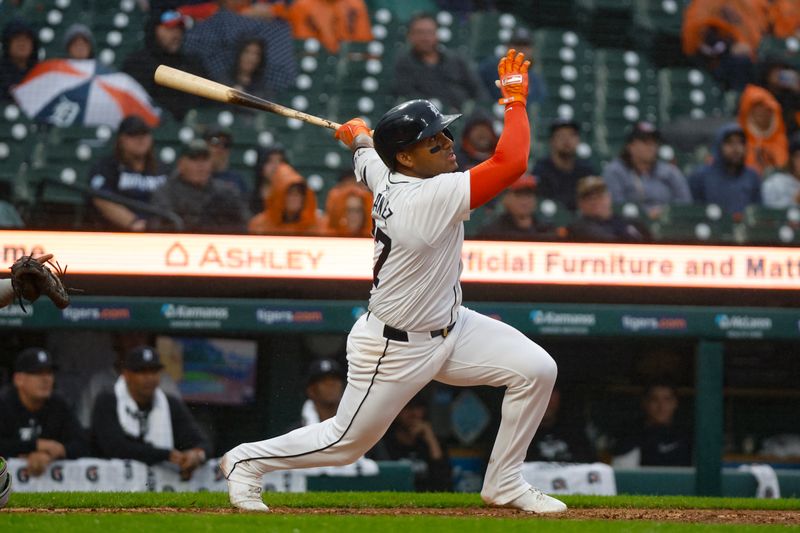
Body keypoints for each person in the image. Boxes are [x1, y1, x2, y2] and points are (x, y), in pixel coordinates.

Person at [221, 49, 566, 514]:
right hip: (394, 346)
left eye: (445, 133)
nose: (447, 143)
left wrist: (360, 138)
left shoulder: (392, 174)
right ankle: (246, 461)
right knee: (344, 444)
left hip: (451, 326)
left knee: (537, 370)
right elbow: (512, 162)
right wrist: (514, 99)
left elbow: (369, 161)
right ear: (406, 156)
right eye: (433, 142)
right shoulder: (429, 195)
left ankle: (504, 482)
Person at [90, 346, 212, 479]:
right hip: (111, 484)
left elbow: (202, 443)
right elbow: (115, 447)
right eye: (141, 372)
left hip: (158, 488)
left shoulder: (170, 404)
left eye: (154, 371)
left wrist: (196, 455)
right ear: (126, 374)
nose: (149, 378)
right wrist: (165, 455)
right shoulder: (108, 400)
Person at [0, 348, 89, 476]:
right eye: (37, 373)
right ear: (19, 379)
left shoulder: (58, 404)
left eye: (49, 373)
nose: (45, 379)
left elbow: (82, 444)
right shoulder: (4, 403)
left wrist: (52, 453)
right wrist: (36, 446)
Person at [182, 0, 296, 96]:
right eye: (247, 53)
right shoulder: (219, 21)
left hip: (261, 92)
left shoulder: (277, 28)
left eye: (255, 54)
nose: (251, 58)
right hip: (217, 88)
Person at [392, 12, 488, 113]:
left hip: (464, 117)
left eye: (429, 32)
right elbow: (407, 97)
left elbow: (478, 91)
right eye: (419, 32)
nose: (425, 38)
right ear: (410, 36)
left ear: (436, 35)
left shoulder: (456, 59)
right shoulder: (404, 64)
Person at [122, 10, 210, 121]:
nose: (176, 34)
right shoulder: (137, 63)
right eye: (169, 28)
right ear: (153, 30)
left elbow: (208, 103)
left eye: (179, 29)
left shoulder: (192, 63)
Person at [87, 115, 170, 231]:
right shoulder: (107, 167)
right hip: (120, 233)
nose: (140, 139)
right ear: (121, 139)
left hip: (162, 232)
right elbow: (101, 198)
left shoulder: (162, 168)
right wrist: (133, 223)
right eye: (133, 135)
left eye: (144, 134)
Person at [150, 139, 249, 233]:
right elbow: (159, 227)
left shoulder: (226, 191)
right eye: (194, 159)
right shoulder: (166, 192)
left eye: (205, 159)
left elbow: (244, 222)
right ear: (181, 164)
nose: (201, 165)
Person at [602, 122, 692, 220]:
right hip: (628, 227)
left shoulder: (670, 172)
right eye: (645, 142)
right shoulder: (615, 171)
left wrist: (666, 212)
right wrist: (644, 214)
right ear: (630, 145)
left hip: (668, 225)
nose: (651, 146)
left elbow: (685, 203)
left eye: (654, 142)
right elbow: (615, 206)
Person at [378, 390, 452, 492]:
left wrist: (431, 441)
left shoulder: (433, 441)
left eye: (418, 408)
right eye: (407, 408)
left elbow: (444, 483)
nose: (413, 414)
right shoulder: (383, 442)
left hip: (427, 499)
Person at [688, 123, 762, 217]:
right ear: (718, 146)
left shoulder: (752, 176)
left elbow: (758, 213)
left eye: (740, 142)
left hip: (744, 229)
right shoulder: (700, 176)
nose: (736, 148)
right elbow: (693, 213)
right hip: (711, 228)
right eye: (729, 142)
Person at [612, 383, 692, 467]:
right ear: (645, 403)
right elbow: (625, 475)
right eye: (654, 400)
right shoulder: (631, 435)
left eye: (667, 400)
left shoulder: (687, 435)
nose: (661, 406)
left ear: (675, 403)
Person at [533, 118, 595, 211]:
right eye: (561, 136)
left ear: (578, 140)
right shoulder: (541, 171)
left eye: (572, 135)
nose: (567, 140)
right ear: (552, 141)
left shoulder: (586, 170)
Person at [525, 386, 597, 463]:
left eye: (551, 392)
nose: (546, 400)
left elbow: (592, 468)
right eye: (540, 393)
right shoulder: (519, 435)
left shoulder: (575, 433)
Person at [478, 26, 547, 107]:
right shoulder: (489, 68)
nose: (521, 49)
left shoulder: (535, 79)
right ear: (508, 47)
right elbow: (478, 94)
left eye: (525, 45)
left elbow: (538, 105)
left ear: (532, 50)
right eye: (517, 44)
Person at [568, 176, 650, 242]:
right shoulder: (579, 228)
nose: (595, 201)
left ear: (609, 197)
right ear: (580, 204)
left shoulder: (628, 223)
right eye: (588, 198)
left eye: (599, 195)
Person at [248, 163, 322, 235]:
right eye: (290, 193)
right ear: (278, 196)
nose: (295, 197)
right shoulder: (259, 225)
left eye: (299, 193)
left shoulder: (317, 225)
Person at [476, 174, 554, 240]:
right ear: (505, 199)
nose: (525, 201)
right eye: (519, 195)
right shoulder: (492, 231)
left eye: (529, 195)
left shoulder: (545, 230)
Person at [285, 0, 373, 54]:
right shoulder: (303, 5)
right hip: (314, 61)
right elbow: (301, 45)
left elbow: (361, 44)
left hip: (346, 62)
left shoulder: (355, 5)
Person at [738, 84, 789, 176]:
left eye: (766, 109)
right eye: (756, 108)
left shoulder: (783, 142)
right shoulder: (737, 142)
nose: (761, 112)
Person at [0, 18, 39, 101]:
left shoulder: (41, 73)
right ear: (7, 44)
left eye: (27, 39)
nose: (22, 43)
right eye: (17, 39)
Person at [203, 127, 248, 196]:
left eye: (226, 144)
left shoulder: (237, 180)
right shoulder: (195, 176)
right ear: (205, 146)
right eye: (215, 142)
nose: (220, 148)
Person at [249, 144, 288, 215]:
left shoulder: (292, 200)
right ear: (261, 165)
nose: (276, 166)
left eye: (280, 161)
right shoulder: (249, 199)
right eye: (270, 161)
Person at [762, 136, 800, 208]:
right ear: (791, 159)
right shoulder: (775, 183)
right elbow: (767, 211)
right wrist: (795, 201)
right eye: (798, 156)